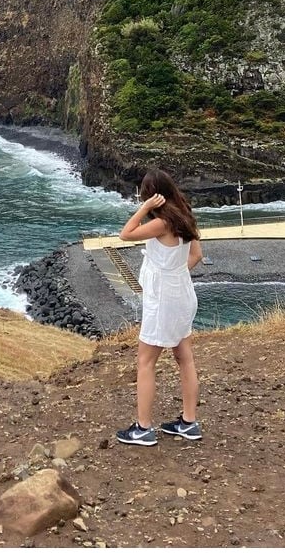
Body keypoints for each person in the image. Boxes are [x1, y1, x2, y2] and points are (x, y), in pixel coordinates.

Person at [115, 168, 204, 446]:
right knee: (184, 357)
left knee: (145, 361)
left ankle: (143, 428)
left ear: (153, 196)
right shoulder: (185, 215)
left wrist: (144, 208)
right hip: (182, 293)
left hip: (163, 298)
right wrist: (174, 273)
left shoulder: (162, 222)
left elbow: (125, 234)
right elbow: (197, 255)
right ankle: (189, 423)